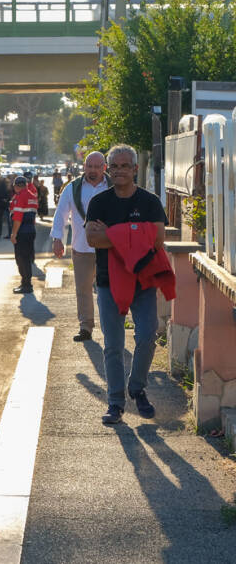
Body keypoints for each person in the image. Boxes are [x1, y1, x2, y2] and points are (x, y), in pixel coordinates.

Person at [85, 145, 168, 425]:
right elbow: (92, 240)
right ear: (109, 169)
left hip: (143, 281)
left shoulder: (150, 202)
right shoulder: (99, 203)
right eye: (115, 166)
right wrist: (134, 233)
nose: (120, 170)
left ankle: (138, 387)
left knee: (147, 335)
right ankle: (116, 402)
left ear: (135, 169)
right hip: (108, 282)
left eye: (125, 166)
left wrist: (113, 234)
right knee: (113, 346)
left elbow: (156, 241)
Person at [50, 151, 109, 342]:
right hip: (82, 248)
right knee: (83, 289)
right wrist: (58, 239)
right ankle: (86, 327)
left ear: (104, 167)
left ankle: (111, 327)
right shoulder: (72, 188)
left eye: (97, 167)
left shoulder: (113, 186)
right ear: (84, 167)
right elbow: (61, 215)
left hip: (109, 248)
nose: (93, 170)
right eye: (89, 166)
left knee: (108, 290)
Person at [9, 175, 39, 294]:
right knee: (27, 258)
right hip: (30, 230)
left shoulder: (20, 197)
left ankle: (26, 284)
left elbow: (18, 218)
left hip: (22, 231)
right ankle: (26, 283)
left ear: (16, 186)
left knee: (21, 259)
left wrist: (14, 234)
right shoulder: (32, 196)